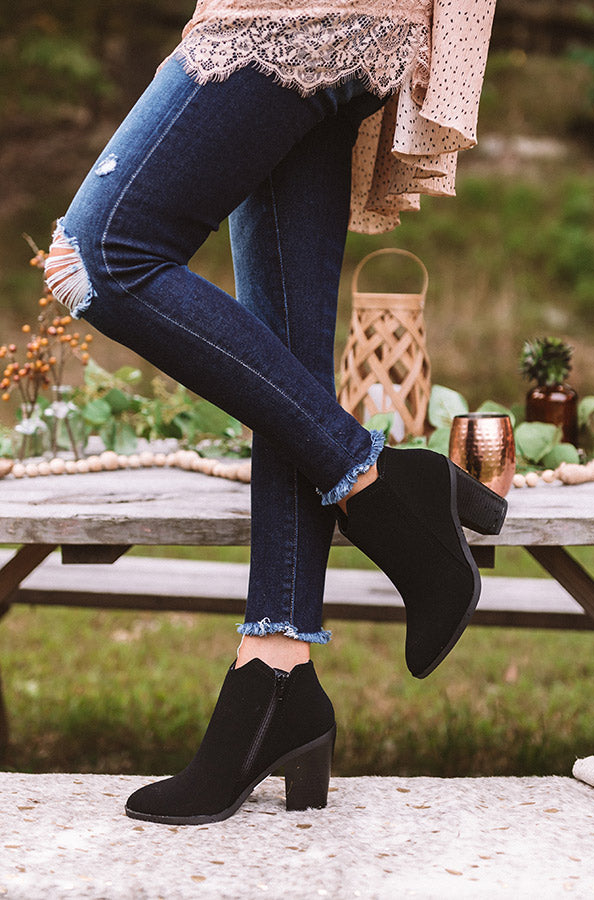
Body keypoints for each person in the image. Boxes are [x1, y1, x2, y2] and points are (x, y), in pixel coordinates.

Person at [45, 0, 502, 825]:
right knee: (287, 342)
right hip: (330, 18)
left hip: (300, 11)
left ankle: (380, 484)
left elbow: (102, 260)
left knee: (98, 254)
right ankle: (275, 674)